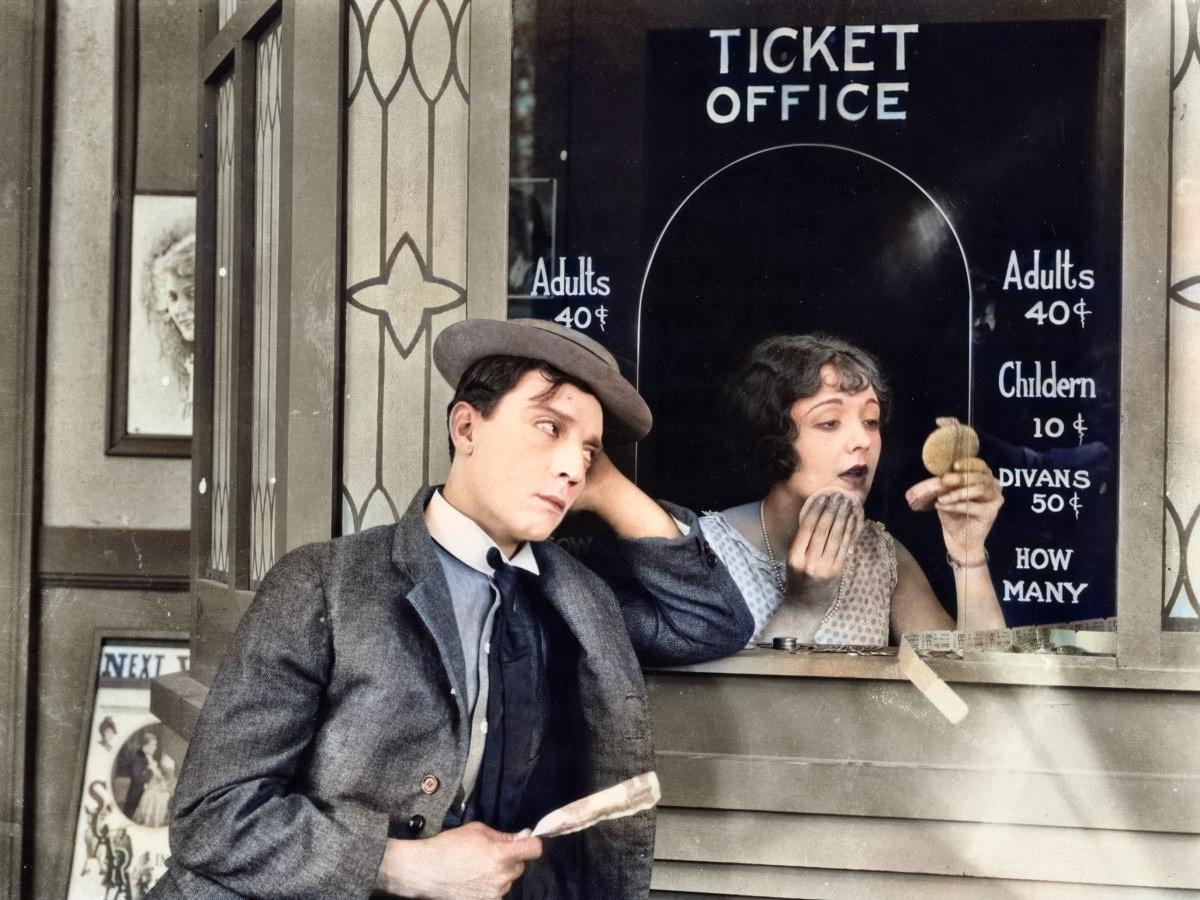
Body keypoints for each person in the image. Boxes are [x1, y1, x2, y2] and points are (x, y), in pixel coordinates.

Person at [150, 318, 753, 899]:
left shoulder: (577, 598)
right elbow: (213, 816)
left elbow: (711, 619)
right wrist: (401, 867)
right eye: (548, 426)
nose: (572, 467)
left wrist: (607, 483)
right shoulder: (325, 582)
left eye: (588, 453)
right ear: (467, 429)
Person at [701, 333, 1005, 646]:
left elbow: (976, 682)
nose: (863, 440)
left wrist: (968, 555)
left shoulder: (881, 555)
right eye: (830, 422)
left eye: (871, 421)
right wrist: (803, 606)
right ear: (772, 439)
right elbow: (723, 697)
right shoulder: (707, 550)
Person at [130, 732, 176, 828]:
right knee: (158, 796)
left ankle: (161, 821)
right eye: (153, 745)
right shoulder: (137, 757)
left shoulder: (150, 757)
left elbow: (155, 776)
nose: (155, 748)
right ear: (145, 745)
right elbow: (138, 779)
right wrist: (152, 772)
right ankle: (152, 823)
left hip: (150, 786)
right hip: (139, 790)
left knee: (168, 792)